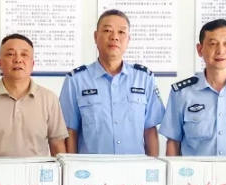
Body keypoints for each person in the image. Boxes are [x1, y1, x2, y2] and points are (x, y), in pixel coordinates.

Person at [59, 9, 165, 156]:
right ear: (96, 37)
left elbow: (150, 130)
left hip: (134, 167)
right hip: (91, 167)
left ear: (128, 40)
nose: (114, 37)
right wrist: (72, 165)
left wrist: (153, 167)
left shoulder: (144, 79)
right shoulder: (76, 80)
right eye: (108, 30)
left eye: (121, 32)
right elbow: (71, 132)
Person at [159, 19, 226, 156]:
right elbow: (173, 142)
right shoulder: (182, 93)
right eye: (213, 44)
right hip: (194, 170)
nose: (220, 50)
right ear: (200, 49)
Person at [0, 34, 67, 157]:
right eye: (10, 54)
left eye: (24, 54)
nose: (18, 60)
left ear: (32, 64)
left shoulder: (49, 99)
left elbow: (57, 147)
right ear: (0, 63)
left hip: (36, 170)